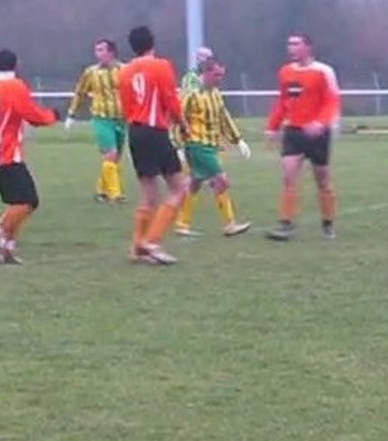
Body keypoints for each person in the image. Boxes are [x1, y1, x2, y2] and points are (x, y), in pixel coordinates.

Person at [0, 49, 60, 264]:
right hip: (8, 154)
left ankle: (7, 248)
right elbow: (32, 114)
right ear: (16, 64)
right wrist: (52, 116)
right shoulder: (16, 87)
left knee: (17, 202)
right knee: (29, 201)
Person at [118, 26, 189, 265]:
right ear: (152, 43)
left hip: (135, 132)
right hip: (155, 131)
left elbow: (126, 106)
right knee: (180, 188)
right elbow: (171, 99)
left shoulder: (124, 71)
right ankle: (153, 241)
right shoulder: (161, 66)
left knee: (149, 196)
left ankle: (137, 247)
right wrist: (183, 124)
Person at [265, 33, 340, 241]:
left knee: (322, 179)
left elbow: (332, 100)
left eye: (296, 44)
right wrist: (272, 126)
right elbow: (282, 101)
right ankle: (286, 224)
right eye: (289, 44)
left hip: (318, 133)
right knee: (288, 176)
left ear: (308, 47)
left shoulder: (323, 71)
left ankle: (328, 223)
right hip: (294, 131)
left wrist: (321, 122)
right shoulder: (285, 72)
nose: (291, 48)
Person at [173, 57, 253, 237]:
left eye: (221, 75)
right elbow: (178, 119)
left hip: (211, 145)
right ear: (206, 72)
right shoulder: (191, 94)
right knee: (221, 180)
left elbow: (224, 117)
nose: (220, 79)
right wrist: (178, 146)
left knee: (194, 183)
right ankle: (230, 224)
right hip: (196, 144)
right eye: (217, 75)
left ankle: (182, 223)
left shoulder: (215, 93)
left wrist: (238, 139)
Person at [65, 38, 127, 203]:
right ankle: (115, 194)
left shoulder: (124, 70)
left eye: (101, 50)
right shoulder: (91, 72)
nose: (98, 54)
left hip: (121, 119)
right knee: (111, 153)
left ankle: (102, 191)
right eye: (97, 50)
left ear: (111, 52)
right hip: (102, 118)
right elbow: (80, 92)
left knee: (114, 158)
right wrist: (71, 114)